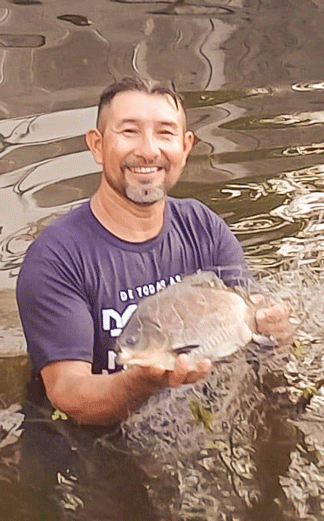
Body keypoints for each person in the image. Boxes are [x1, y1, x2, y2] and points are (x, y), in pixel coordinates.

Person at [16, 77, 293, 425]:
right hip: (86, 450)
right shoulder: (57, 258)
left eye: (165, 133)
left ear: (185, 146)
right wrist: (142, 382)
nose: (148, 150)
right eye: (129, 131)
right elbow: (69, 394)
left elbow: (251, 330)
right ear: (97, 145)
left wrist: (277, 333)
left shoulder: (203, 228)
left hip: (195, 425)